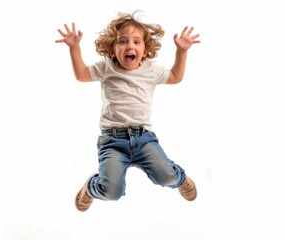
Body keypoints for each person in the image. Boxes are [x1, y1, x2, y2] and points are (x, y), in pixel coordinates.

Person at [56, 11, 200, 212]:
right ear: (113, 50)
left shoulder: (151, 69)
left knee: (167, 176)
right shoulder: (107, 67)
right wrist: (74, 48)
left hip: (143, 139)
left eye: (136, 42)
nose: (130, 46)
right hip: (113, 141)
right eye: (123, 41)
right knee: (110, 191)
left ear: (145, 50)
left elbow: (175, 76)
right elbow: (81, 74)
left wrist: (182, 51)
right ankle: (90, 188)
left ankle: (180, 178)